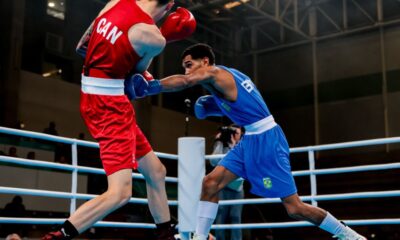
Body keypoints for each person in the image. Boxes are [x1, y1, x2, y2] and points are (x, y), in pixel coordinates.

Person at [130, 43, 367, 240]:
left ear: (205, 61)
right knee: (210, 184)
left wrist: (151, 87)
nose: (187, 71)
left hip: (266, 140)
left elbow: (184, 82)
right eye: (185, 67)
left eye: (190, 65)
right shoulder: (220, 85)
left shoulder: (216, 73)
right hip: (249, 140)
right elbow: (206, 111)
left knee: (294, 208)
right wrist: (204, 105)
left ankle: (346, 234)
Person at [42, 1, 195, 240]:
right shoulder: (153, 37)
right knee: (120, 193)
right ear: (169, 6)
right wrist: (163, 36)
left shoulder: (118, 1)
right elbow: (138, 77)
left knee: (156, 171)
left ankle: (166, 233)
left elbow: (84, 43)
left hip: (92, 92)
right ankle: (56, 236)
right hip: (110, 106)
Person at [210, 125, 244, 240]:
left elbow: (241, 163)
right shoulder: (222, 145)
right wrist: (218, 142)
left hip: (237, 188)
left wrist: (234, 146)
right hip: (223, 187)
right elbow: (213, 161)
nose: (235, 134)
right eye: (233, 132)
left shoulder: (243, 146)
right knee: (220, 217)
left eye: (237, 132)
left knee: (236, 218)